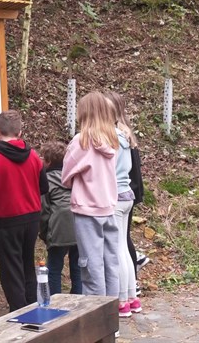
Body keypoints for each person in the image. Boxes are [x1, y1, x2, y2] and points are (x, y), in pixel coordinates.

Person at [0, 110, 49, 312]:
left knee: (10, 268)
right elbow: (43, 187)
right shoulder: (34, 156)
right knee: (27, 262)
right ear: (20, 132)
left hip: (7, 219)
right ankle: (33, 305)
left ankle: (18, 309)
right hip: (32, 217)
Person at [61, 91, 120, 297]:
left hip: (87, 210)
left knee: (90, 266)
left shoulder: (81, 141)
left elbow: (66, 175)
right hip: (109, 207)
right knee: (110, 263)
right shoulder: (112, 139)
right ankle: (112, 319)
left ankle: (96, 322)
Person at [105, 91, 142, 317]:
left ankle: (121, 300)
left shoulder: (109, 137)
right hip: (127, 194)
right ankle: (131, 297)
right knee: (124, 249)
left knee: (117, 249)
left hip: (116, 196)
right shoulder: (125, 134)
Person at [39, 141, 82, 295]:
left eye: (42, 157)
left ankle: (55, 302)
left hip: (59, 228)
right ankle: (79, 301)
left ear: (48, 162)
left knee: (54, 269)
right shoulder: (72, 176)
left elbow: (44, 211)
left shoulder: (46, 180)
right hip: (80, 224)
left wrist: (45, 234)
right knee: (77, 268)